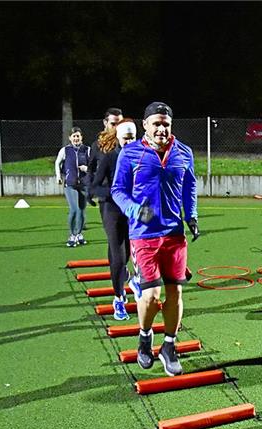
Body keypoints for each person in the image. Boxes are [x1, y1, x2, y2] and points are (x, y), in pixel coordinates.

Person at [111, 102, 199, 376]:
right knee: (150, 295)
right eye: (156, 123)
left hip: (174, 233)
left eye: (166, 124)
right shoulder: (130, 153)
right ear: (146, 125)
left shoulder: (184, 152)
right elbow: (117, 190)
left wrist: (192, 215)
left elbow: (189, 184)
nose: (161, 128)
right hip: (144, 235)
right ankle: (145, 337)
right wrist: (135, 210)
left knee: (176, 292)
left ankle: (169, 346)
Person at [92, 119, 136, 320]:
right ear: (118, 137)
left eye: (132, 138)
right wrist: (116, 193)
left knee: (124, 254)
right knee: (118, 257)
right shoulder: (110, 158)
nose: (129, 142)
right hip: (111, 210)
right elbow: (94, 187)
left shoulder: (142, 157)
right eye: (126, 138)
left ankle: (126, 277)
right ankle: (118, 299)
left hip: (132, 211)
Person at [55, 127, 90, 247]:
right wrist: (58, 176)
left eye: (78, 136)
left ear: (81, 137)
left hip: (84, 184)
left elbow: (94, 166)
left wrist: (87, 169)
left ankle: (79, 234)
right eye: (74, 136)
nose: (76, 138)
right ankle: (71, 235)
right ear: (70, 138)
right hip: (70, 184)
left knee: (81, 211)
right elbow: (57, 162)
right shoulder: (65, 150)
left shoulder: (87, 150)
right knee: (74, 210)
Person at [87, 107, 123, 200]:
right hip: (106, 198)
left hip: (127, 195)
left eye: (119, 124)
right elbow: (91, 169)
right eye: (113, 124)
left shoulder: (127, 143)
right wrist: (90, 190)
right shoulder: (97, 146)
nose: (116, 128)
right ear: (105, 123)